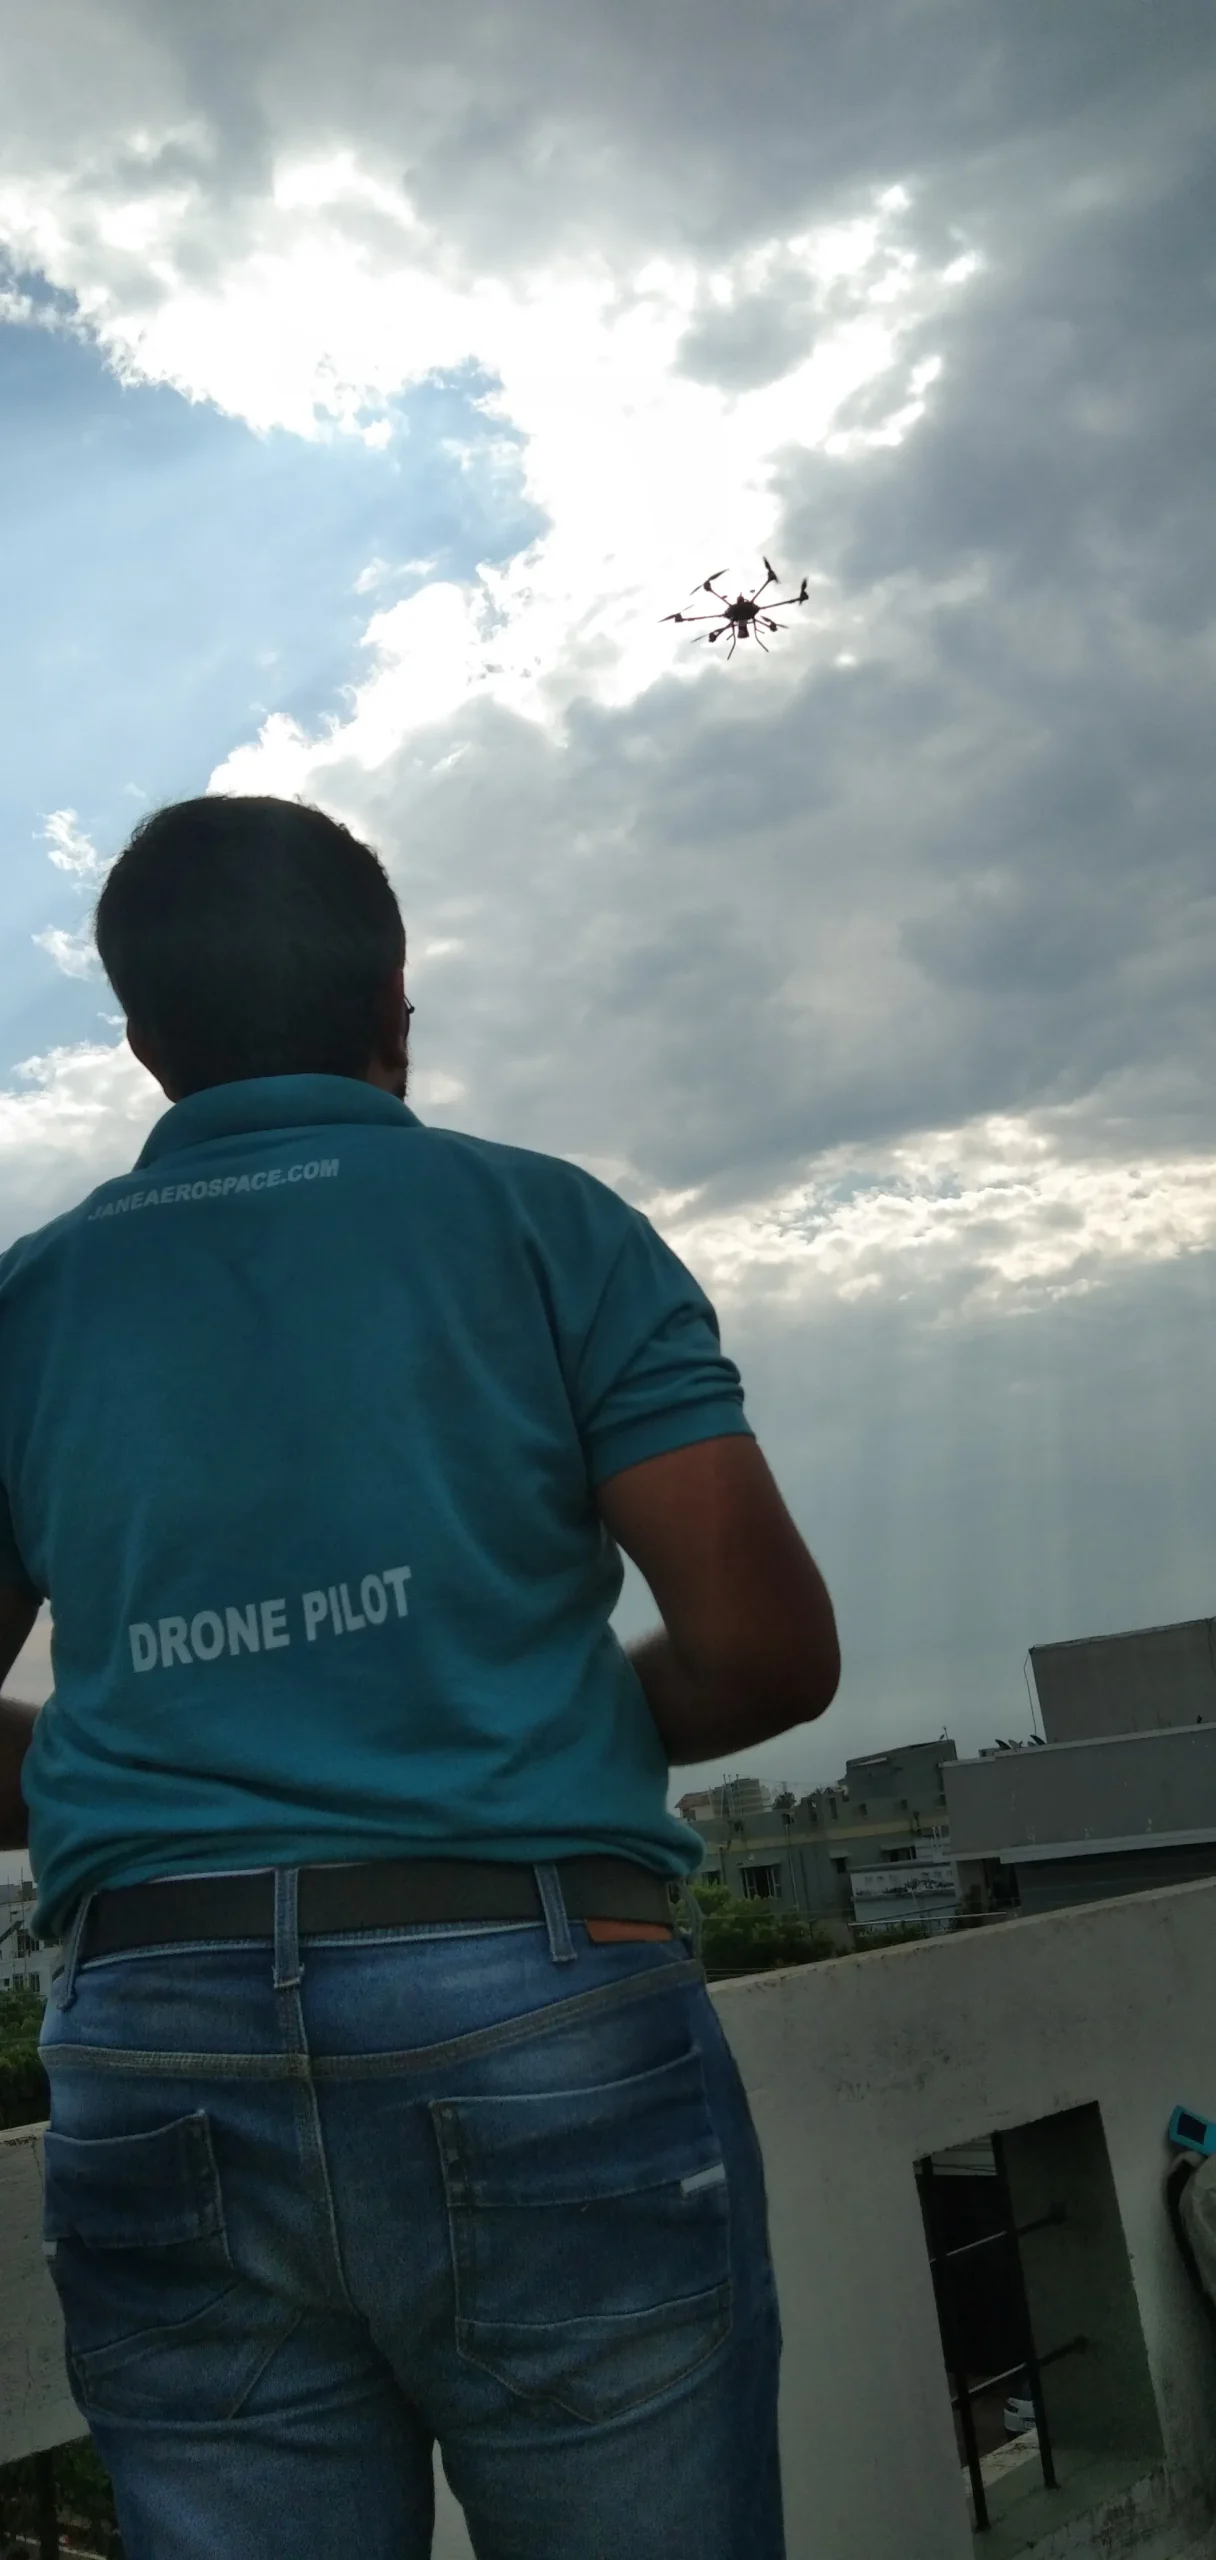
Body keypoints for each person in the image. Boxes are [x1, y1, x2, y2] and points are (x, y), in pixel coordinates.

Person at [0, 794, 840, 2560]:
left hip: (151, 2038)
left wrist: (163, 1753)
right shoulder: (546, 1229)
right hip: (535, 2007)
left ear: (145, 1042)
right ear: (398, 1001)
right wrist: (504, 1707)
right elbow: (766, 1649)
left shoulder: (32, 1300)